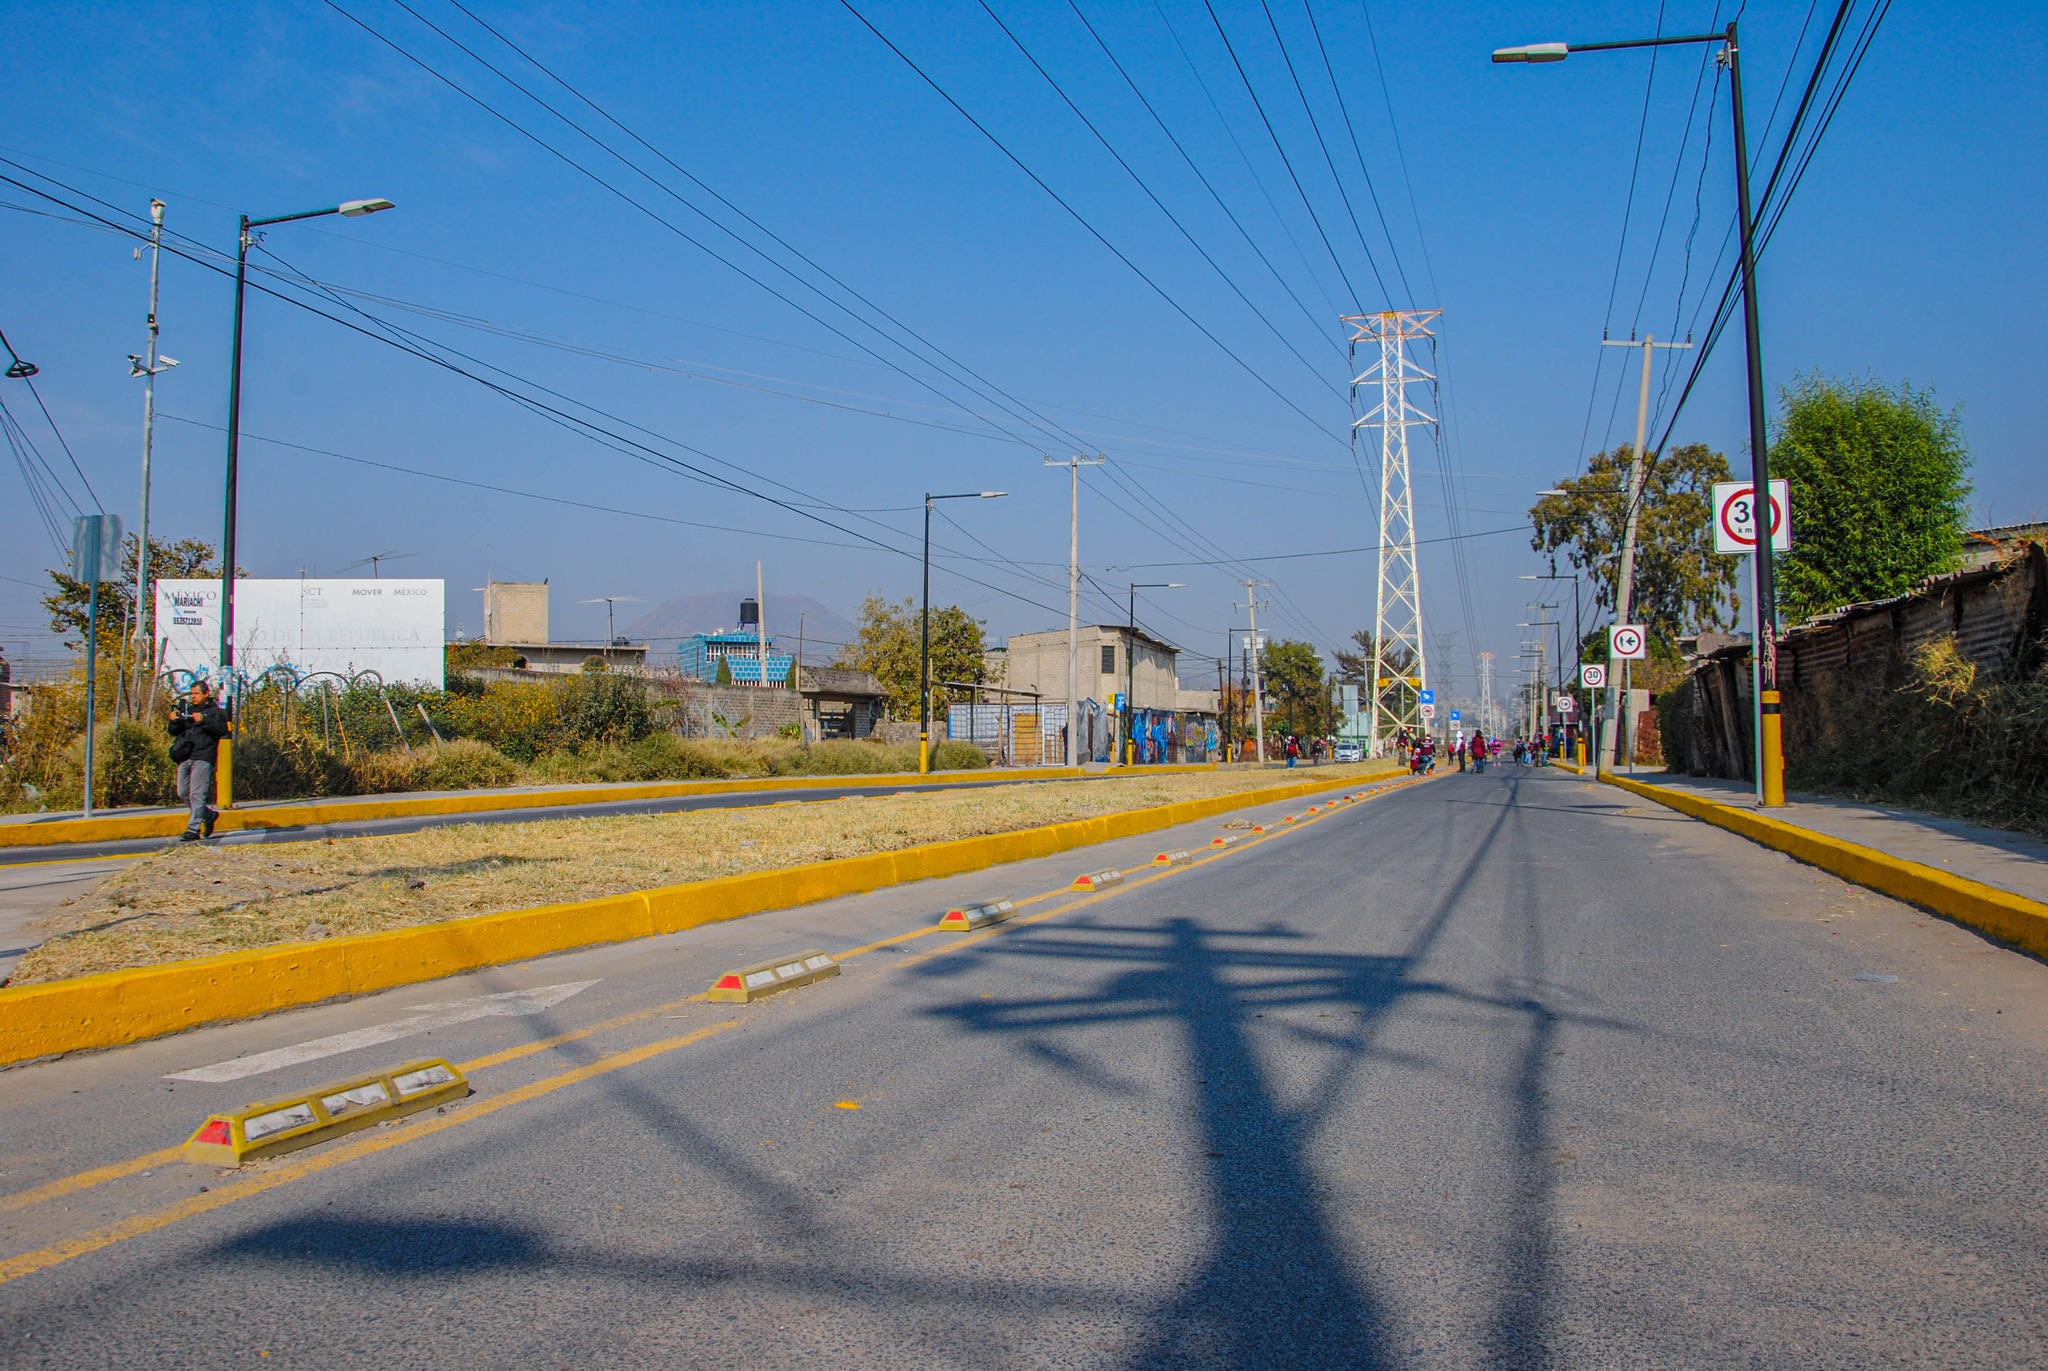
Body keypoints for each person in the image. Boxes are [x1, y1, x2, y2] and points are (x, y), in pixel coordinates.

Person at [167, 680, 230, 841]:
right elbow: (175, 731)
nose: (193, 697)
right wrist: (174, 720)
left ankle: (193, 829)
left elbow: (222, 730)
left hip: (203, 756)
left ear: (206, 694)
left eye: (196, 694)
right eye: (192, 694)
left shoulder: (215, 712)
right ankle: (208, 815)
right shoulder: (189, 710)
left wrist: (204, 720)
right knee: (182, 792)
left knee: (197, 794)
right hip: (185, 755)